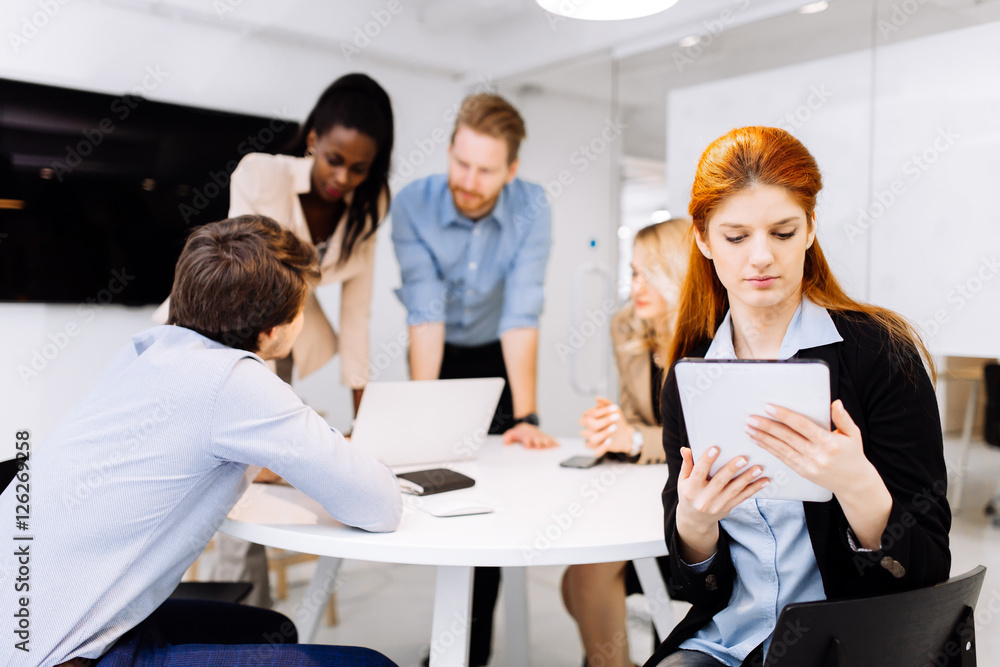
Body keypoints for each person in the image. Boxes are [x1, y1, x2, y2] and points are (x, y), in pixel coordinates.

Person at [0, 216, 402, 667]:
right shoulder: (235, 381)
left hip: (19, 627)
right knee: (371, 664)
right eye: (302, 307)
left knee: (274, 632)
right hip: (62, 656)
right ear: (272, 329)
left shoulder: (148, 351)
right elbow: (380, 505)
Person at [644, 126, 951, 667]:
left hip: (849, 641)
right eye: (736, 237)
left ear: (810, 229)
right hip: (729, 637)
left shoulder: (880, 353)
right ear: (703, 239)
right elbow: (692, 579)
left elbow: (928, 567)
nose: (760, 257)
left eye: (782, 232)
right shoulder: (693, 377)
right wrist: (694, 521)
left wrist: (856, 485)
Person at [205, 72, 395, 606]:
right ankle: (238, 626)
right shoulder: (261, 174)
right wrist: (258, 405)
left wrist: (368, 422)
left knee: (264, 484)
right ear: (313, 138)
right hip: (226, 334)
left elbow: (357, 317)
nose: (342, 177)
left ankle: (259, 631)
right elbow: (241, 280)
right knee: (234, 485)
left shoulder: (371, 204)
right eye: (335, 159)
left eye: (359, 168)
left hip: (284, 334)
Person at [390, 93, 555, 666]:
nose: (469, 179)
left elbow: (521, 314)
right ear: (450, 151)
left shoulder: (533, 206)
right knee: (435, 488)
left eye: (485, 170)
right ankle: (449, 636)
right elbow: (425, 311)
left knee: (499, 498)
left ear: (510, 171)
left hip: (498, 356)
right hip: (438, 356)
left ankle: (467, 654)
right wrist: (421, 417)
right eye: (461, 163)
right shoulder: (413, 203)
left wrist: (528, 416)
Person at [562, 218, 690, 667]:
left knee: (588, 575)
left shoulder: (712, 339)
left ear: (680, 272)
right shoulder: (628, 327)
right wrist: (614, 427)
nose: (635, 285)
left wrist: (634, 437)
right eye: (632, 272)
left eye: (647, 273)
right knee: (574, 583)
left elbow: (702, 440)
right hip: (645, 489)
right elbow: (635, 418)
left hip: (695, 498)